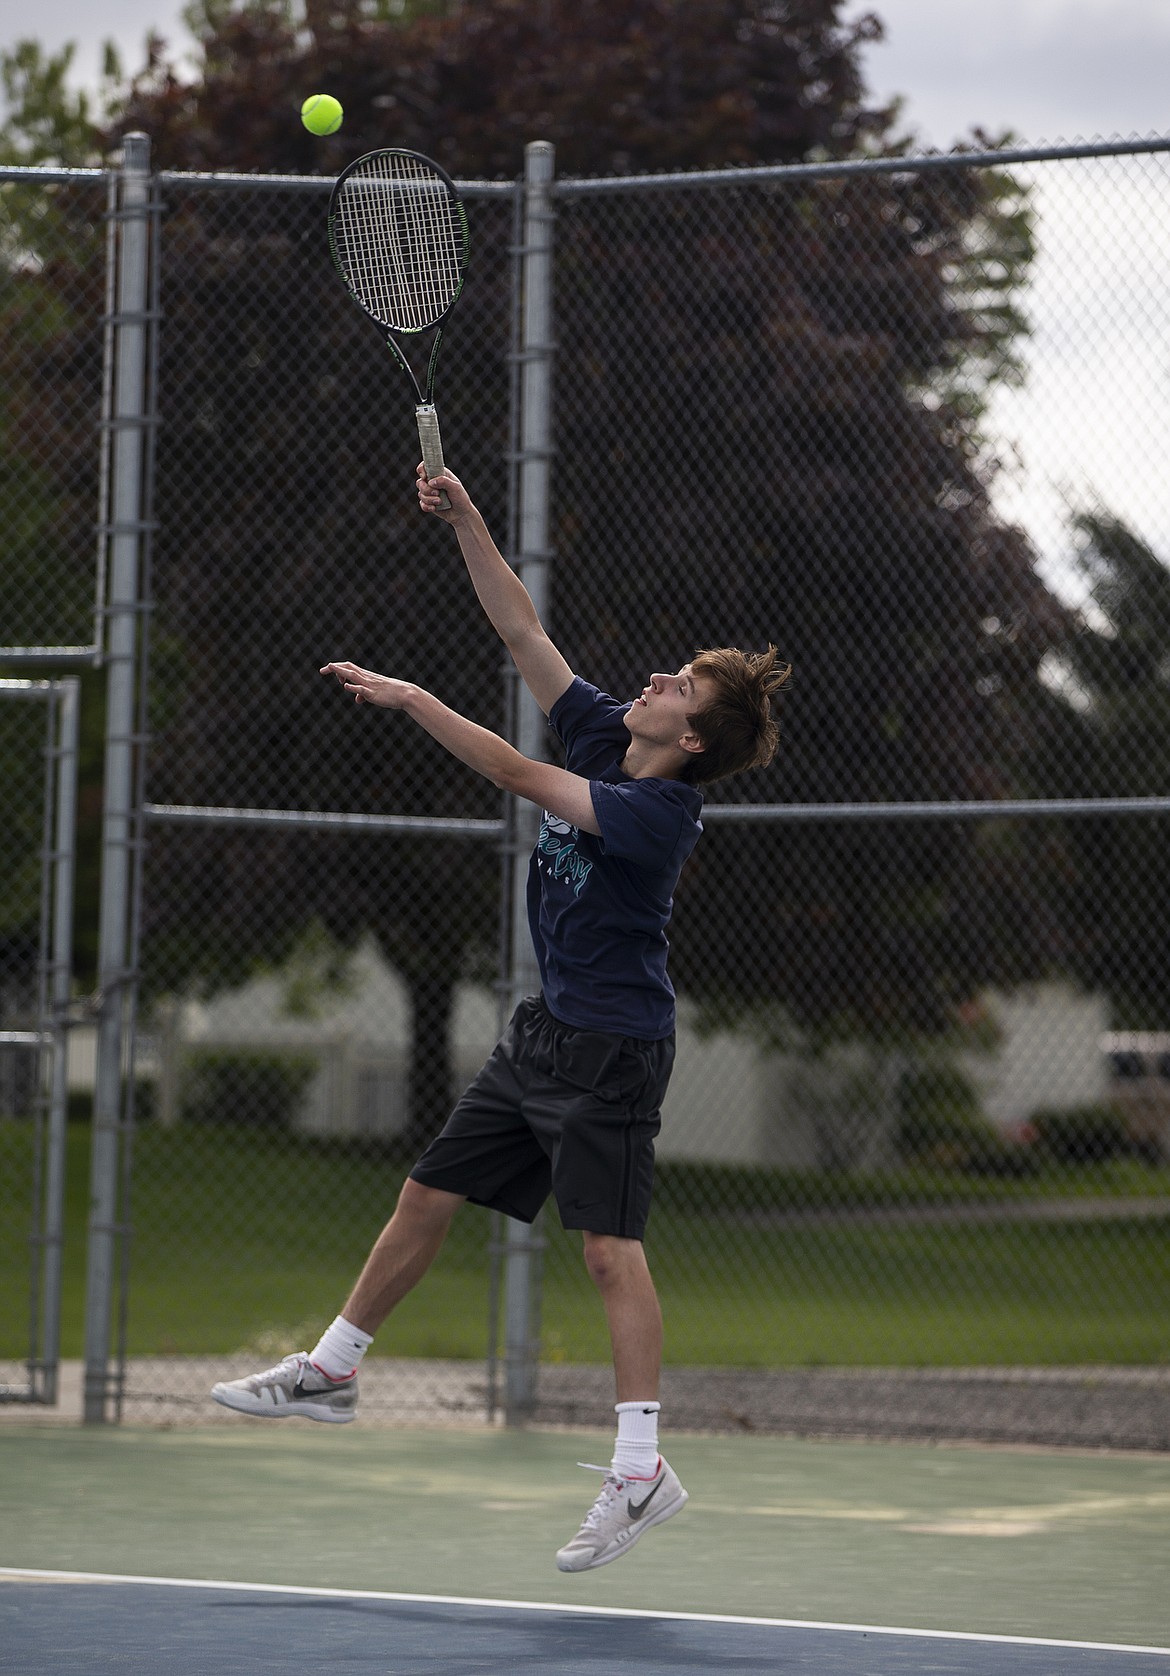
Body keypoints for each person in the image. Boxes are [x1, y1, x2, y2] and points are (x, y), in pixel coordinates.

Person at [213, 464, 791, 1572]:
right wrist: (466, 517)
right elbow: (522, 627)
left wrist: (414, 697)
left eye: (683, 687)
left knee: (610, 1251)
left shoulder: (661, 810)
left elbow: (520, 774)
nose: (660, 677)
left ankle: (640, 1466)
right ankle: (332, 1367)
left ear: (697, 741)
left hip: (616, 1050)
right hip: (545, 1032)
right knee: (427, 1188)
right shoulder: (604, 731)